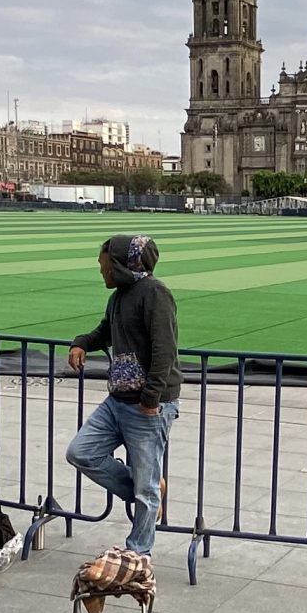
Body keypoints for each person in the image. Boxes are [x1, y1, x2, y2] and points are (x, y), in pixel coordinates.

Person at [64, 234, 180, 570]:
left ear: (118, 265)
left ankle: (138, 552)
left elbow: (165, 350)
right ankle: (150, 489)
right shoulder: (119, 297)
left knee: (145, 491)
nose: (101, 272)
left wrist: (150, 399)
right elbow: (105, 331)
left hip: (147, 407)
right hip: (118, 401)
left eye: (103, 266)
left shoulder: (155, 294)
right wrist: (81, 342)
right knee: (81, 452)